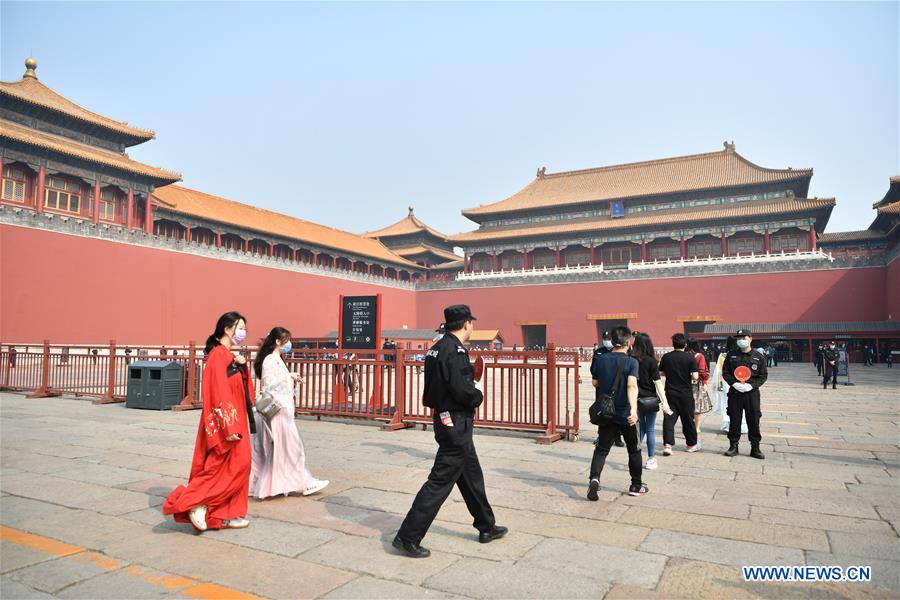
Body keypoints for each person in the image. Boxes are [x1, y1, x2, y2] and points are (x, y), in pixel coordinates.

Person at [394, 304, 506, 558]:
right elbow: (461, 389)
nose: (472, 327)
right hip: (455, 422)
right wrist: (477, 395)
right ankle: (408, 536)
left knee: (471, 477)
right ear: (466, 324)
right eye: (471, 323)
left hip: (445, 418)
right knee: (439, 482)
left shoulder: (435, 349)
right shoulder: (454, 351)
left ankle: (486, 526)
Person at [163, 311, 254, 532]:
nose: (243, 332)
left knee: (236, 466)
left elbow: (245, 391)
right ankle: (195, 502)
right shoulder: (217, 356)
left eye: (244, 329)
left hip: (236, 420)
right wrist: (228, 425)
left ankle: (225, 514)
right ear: (227, 328)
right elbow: (217, 391)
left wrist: (242, 368)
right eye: (240, 328)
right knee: (228, 466)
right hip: (227, 424)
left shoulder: (229, 356)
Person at [250, 327, 328, 499]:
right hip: (278, 411)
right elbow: (268, 384)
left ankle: (286, 483)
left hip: (283, 410)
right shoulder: (270, 359)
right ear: (278, 341)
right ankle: (304, 483)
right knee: (292, 448)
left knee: (284, 449)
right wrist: (288, 376)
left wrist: (291, 377)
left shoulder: (277, 358)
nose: (289, 344)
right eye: (286, 340)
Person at [587, 326, 647, 498]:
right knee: (634, 450)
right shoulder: (631, 362)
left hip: (607, 412)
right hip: (625, 413)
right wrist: (634, 410)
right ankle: (636, 485)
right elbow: (631, 385)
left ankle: (595, 478)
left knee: (601, 449)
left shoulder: (601, 359)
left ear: (612, 342)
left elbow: (595, 383)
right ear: (628, 342)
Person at [722, 329, 768, 459]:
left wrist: (751, 385)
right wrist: (733, 383)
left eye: (744, 337)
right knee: (734, 419)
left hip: (751, 393)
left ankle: (755, 447)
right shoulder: (731, 355)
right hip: (735, 392)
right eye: (739, 338)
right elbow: (725, 372)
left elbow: (763, 375)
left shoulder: (758, 356)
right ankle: (733, 446)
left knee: (753, 419)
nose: (741, 340)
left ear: (750, 339)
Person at [632, 333, 671, 470]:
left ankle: (635, 456)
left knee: (640, 429)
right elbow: (658, 383)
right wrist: (665, 402)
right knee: (650, 429)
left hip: (636, 399)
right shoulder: (651, 361)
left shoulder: (631, 360)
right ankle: (651, 458)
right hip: (650, 400)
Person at [659, 333, 699, 455]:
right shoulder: (690, 358)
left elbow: (661, 373)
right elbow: (695, 376)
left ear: (673, 344)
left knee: (669, 419)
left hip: (670, 393)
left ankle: (668, 445)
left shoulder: (666, 357)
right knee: (688, 419)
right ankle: (691, 445)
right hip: (686, 394)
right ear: (685, 344)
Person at [590, 331, 624, 448]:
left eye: (609, 338)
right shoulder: (599, 352)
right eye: (605, 338)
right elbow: (593, 369)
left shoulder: (619, 352)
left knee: (617, 411)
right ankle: (601, 435)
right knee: (602, 411)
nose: (606, 340)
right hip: (602, 387)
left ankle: (617, 436)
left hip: (616, 387)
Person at [714, 337, 747, 435]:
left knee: (726, 403)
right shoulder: (741, 354)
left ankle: (728, 425)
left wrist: (718, 384)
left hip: (726, 382)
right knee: (741, 403)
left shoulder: (722, 355)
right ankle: (742, 425)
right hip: (740, 381)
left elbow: (718, 371)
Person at [688, 338, 711, 448]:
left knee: (687, 407)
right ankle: (696, 427)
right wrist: (705, 382)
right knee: (697, 406)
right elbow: (703, 371)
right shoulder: (700, 356)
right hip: (697, 383)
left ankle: (689, 426)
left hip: (684, 384)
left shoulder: (684, 355)